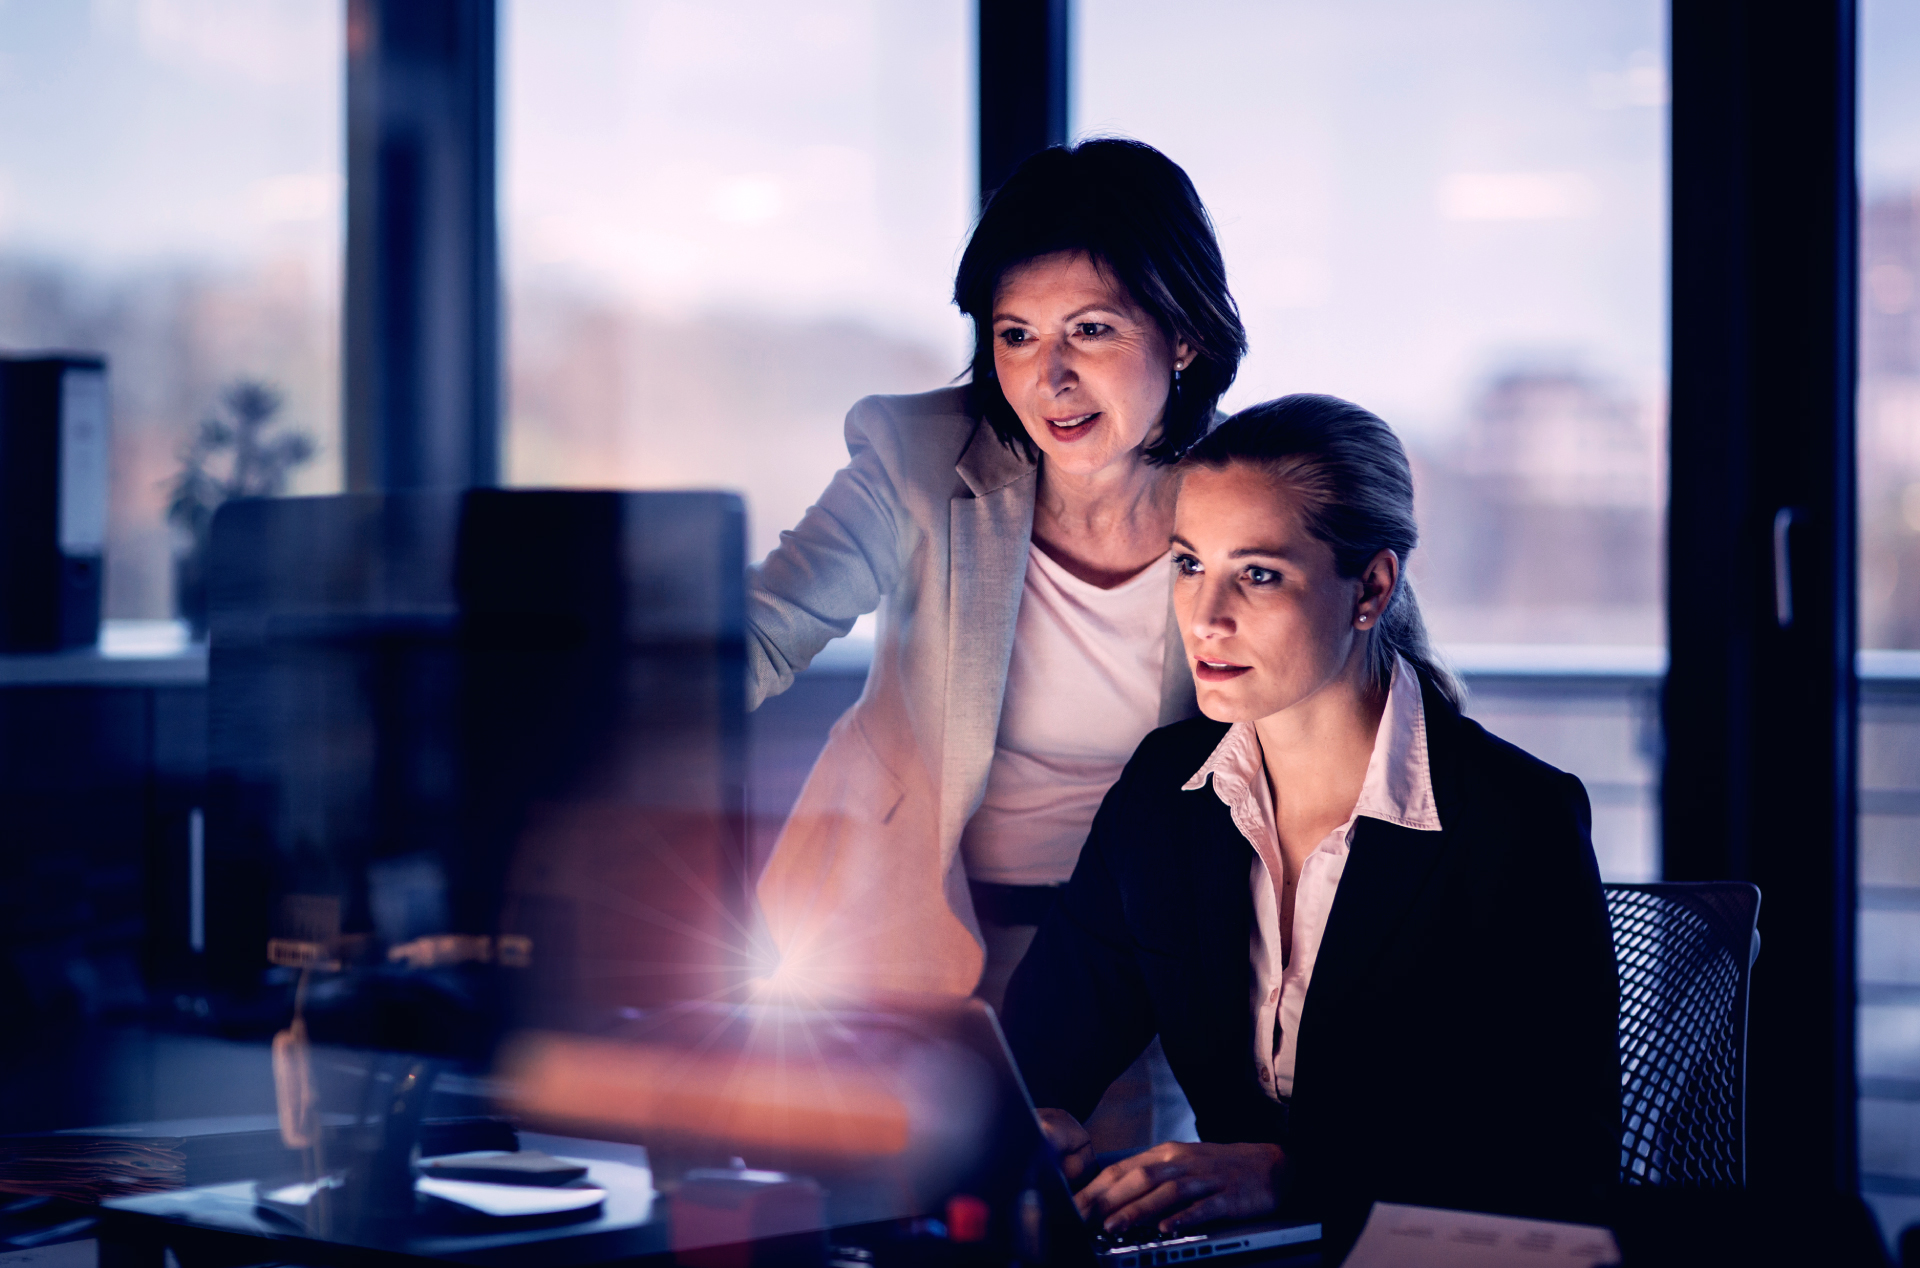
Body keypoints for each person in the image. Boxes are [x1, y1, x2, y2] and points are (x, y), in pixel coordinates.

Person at [1001, 394, 1620, 1254]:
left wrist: (1297, 1173)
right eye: (1188, 565)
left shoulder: (1513, 821)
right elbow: (1038, 1055)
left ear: (1370, 587)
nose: (1204, 617)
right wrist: (1033, 1122)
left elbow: (1559, 1163)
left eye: (1257, 575)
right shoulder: (1163, 795)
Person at [750, 139, 1247, 1008]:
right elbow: (765, 629)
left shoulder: (1256, 496)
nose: (1049, 377)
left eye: (1092, 330)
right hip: (885, 934)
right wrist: (599, 726)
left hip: (1151, 960)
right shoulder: (918, 458)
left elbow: (1389, 701)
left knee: (1121, 1153)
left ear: (1184, 338)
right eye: (1017, 335)